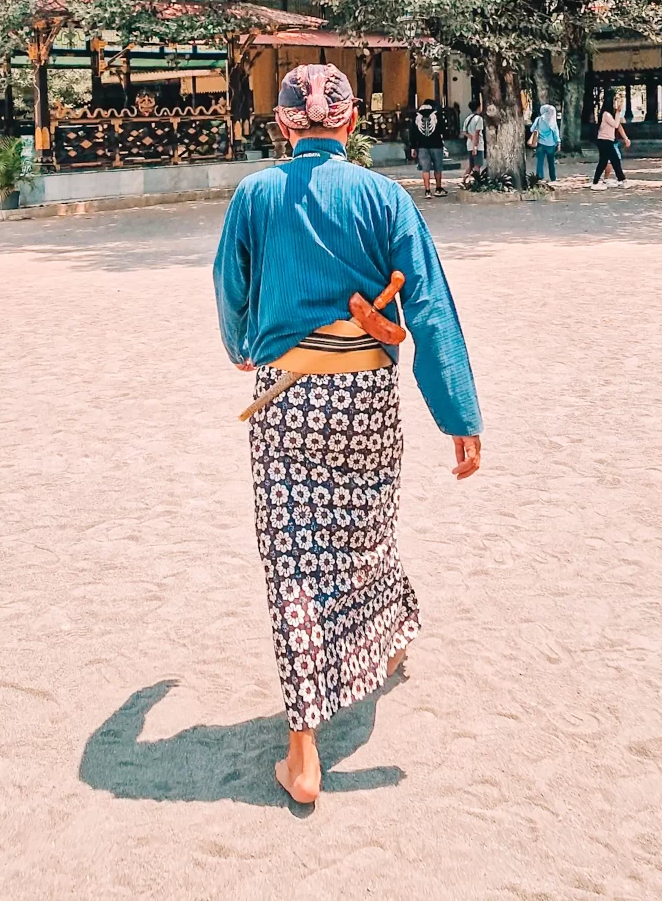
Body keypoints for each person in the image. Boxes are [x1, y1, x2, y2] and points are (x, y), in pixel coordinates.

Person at [214, 63, 483, 805]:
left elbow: (231, 285)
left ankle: (303, 750)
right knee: (365, 533)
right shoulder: (383, 195)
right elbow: (427, 307)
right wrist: (457, 415)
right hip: (365, 394)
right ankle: (387, 645)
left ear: (282, 126)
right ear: (351, 121)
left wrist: (240, 343)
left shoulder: (254, 194)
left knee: (294, 556)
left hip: (285, 397)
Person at [408, 98, 448, 198]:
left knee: (425, 169)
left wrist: (413, 147)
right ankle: (438, 189)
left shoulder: (417, 117)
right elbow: (443, 130)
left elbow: (413, 133)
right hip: (436, 145)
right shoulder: (437, 115)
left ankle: (427, 190)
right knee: (438, 168)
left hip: (422, 146)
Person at [592, 91, 629, 190]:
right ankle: (621, 180)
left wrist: (617, 113)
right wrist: (618, 113)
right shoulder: (606, 115)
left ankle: (597, 181)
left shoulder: (609, 114)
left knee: (606, 161)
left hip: (607, 140)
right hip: (604, 141)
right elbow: (616, 125)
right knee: (613, 160)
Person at [529, 104, 561, 184]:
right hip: (550, 145)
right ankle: (553, 177)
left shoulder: (538, 119)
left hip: (540, 144)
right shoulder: (552, 121)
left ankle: (540, 177)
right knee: (551, 162)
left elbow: (531, 129)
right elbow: (555, 133)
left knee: (540, 161)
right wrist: (558, 142)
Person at [461, 99, 485, 182]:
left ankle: (463, 180)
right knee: (477, 166)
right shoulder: (479, 119)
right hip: (478, 145)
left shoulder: (468, 118)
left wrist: (470, 137)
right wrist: (475, 146)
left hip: (469, 144)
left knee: (470, 165)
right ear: (478, 107)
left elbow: (464, 132)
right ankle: (477, 182)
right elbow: (477, 133)